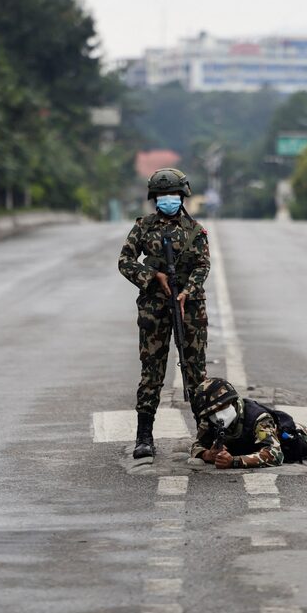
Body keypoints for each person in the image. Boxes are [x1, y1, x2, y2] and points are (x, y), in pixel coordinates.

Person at [118, 168, 210, 459]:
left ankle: (206, 436)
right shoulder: (143, 227)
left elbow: (203, 265)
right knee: (152, 372)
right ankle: (144, 436)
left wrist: (186, 292)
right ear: (154, 198)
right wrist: (153, 276)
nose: (167, 198)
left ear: (182, 196)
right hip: (154, 307)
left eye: (172, 194)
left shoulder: (195, 230)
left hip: (190, 308)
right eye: (162, 195)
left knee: (195, 372)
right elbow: (125, 260)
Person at [189, 378, 307, 468]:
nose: (217, 415)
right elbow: (197, 444)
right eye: (211, 412)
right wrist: (207, 454)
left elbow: (275, 454)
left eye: (221, 408)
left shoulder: (258, 419)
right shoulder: (209, 421)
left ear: (231, 402)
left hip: (289, 439)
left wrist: (234, 461)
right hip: (251, 448)